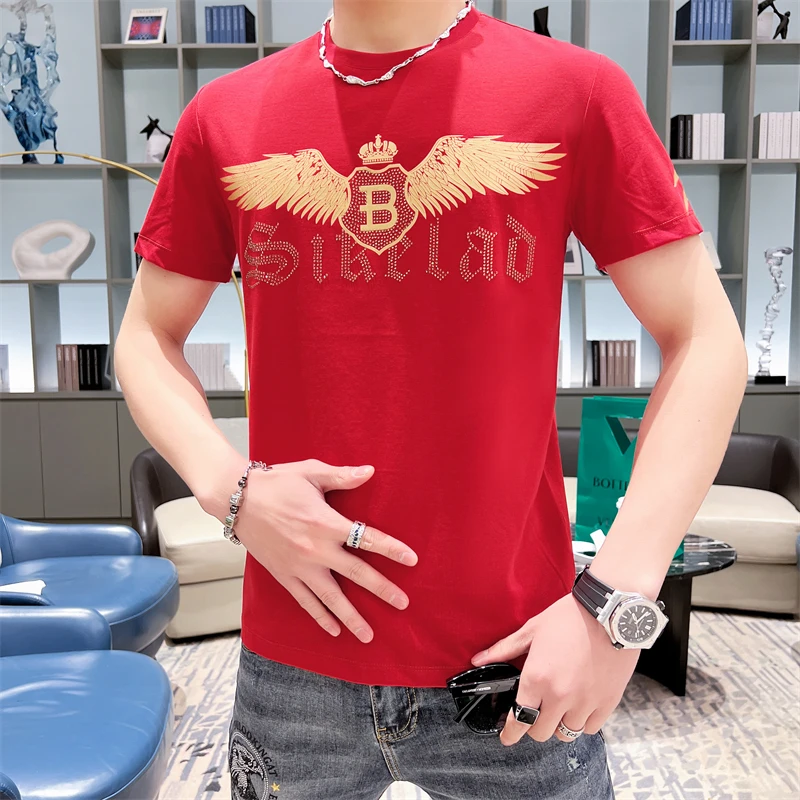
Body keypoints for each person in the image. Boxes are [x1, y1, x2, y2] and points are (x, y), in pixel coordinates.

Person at [116, 1, 748, 798]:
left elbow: (705, 339)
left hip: (513, 660)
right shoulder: (226, 116)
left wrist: (613, 600)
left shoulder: (573, 93)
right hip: (294, 660)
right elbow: (145, 335)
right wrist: (230, 488)